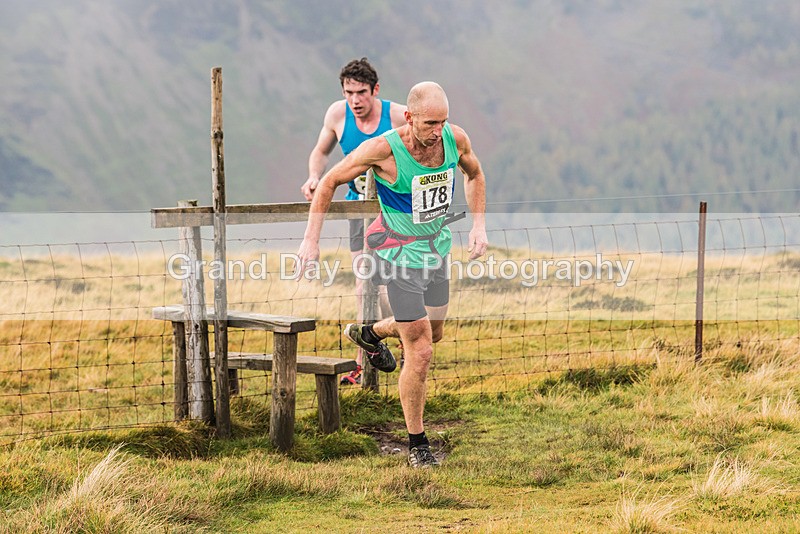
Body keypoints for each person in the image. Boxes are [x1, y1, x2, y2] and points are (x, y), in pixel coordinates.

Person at [296, 81, 488, 468]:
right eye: (430, 123)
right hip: (397, 254)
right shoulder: (383, 149)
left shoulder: (455, 139)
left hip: (435, 250)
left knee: (434, 331)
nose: (438, 131)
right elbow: (330, 181)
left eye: (443, 121)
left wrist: (479, 225)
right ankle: (418, 445)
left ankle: (370, 332)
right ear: (409, 117)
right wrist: (310, 241)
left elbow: (475, 174)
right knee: (421, 349)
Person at [301, 57, 407, 386]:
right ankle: (365, 360)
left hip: (392, 211)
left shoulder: (397, 115)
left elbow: (428, 134)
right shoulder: (337, 115)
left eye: (361, 92)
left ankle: (403, 339)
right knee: (363, 286)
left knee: (386, 286)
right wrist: (314, 176)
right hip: (357, 211)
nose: (355, 100)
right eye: (349, 93)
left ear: (375, 90)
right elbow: (321, 151)